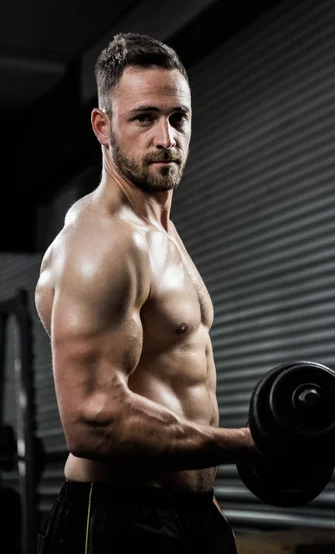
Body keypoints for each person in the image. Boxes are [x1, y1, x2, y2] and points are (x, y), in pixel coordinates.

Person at [35, 32, 259, 554]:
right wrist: (247, 444)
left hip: (192, 516)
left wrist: (208, 507)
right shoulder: (101, 242)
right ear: (103, 126)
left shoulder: (159, 231)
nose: (166, 137)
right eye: (144, 117)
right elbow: (94, 420)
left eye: (177, 117)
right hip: (120, 519)